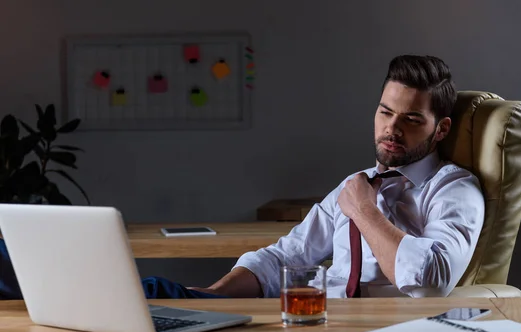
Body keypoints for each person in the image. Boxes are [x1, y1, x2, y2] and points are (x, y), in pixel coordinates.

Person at [145, 54, 485, 299]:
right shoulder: (356, 185)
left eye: (411, 119)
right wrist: (214, 295)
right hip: (317, 320)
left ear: (440, 129)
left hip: (387, 331)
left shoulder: (453, 188)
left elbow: (431, 281)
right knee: (154, 292)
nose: (391, 128)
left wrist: (366, 212)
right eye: (385, 112)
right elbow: (285, 256)